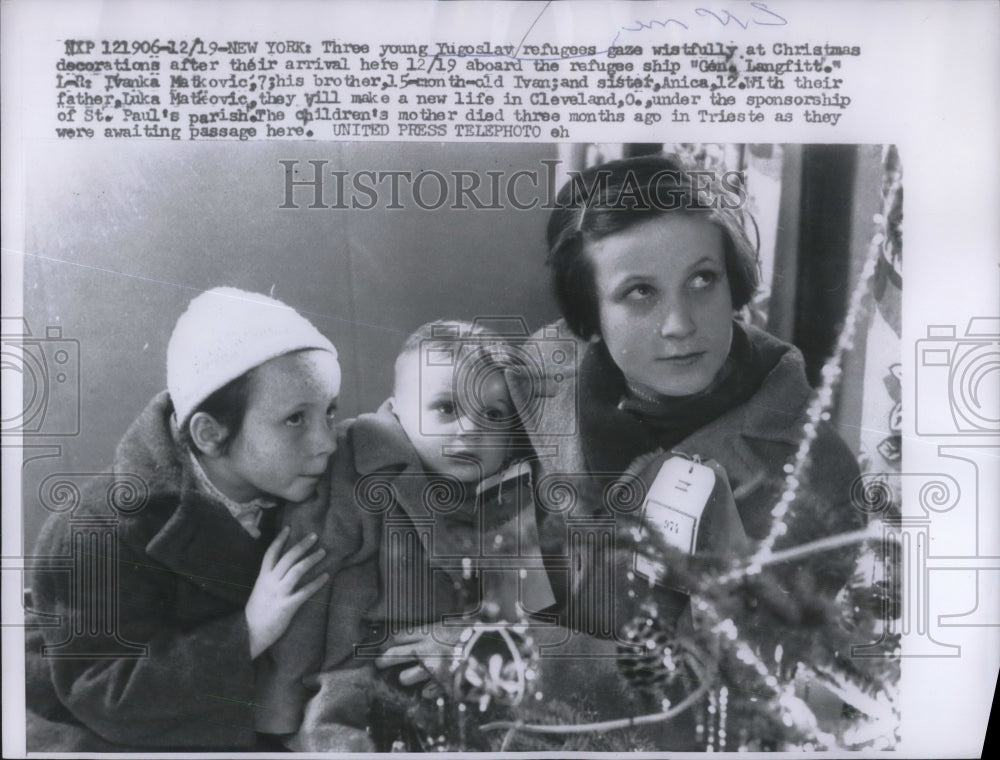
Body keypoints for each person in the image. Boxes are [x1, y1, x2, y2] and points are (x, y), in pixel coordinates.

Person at [501, 154, 866, 744]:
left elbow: (752, 689)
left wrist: (728, 568)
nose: (679, 323)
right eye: (639, 292)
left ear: (735, 284)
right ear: (589, 315)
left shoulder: (815, 470)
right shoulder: (535, 389)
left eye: (703, 279)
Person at [25, 287, 340, 751]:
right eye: (296, 419)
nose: (327, 442)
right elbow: (106, 692)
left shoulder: (316, 478)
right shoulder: (91, 531)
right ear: (210, 434)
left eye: (330, 411)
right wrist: (248, 631)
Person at [257, 320, 553, 751]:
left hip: (455, 670)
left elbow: (522, 610)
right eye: (447, 409)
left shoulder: (511, 494)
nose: (471, 430)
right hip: (357, 664)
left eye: (493, 414)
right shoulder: (357, 470)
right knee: (337, 727)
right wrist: (280, 710)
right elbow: (306, 583)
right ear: (397, 411)